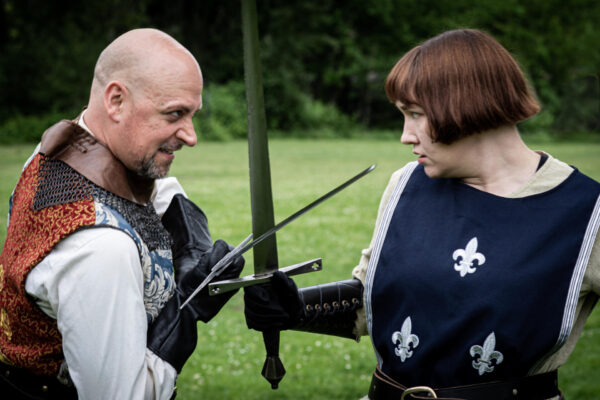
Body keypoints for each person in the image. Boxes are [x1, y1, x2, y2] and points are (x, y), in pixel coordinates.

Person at [243, 29, 600, 400]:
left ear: (468, 106)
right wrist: (296, 309)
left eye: (416, 114)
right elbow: (372, 300)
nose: (405, 135)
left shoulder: (586, 212)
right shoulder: (406, 183)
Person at [0, 28, 244, 399]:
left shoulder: (61, 150)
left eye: (192, 114)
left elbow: (149, 189)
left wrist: (189, 235)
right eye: (174, 113)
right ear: (115, 101)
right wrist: (184, 314)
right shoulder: (101, 249)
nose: (191, 135)